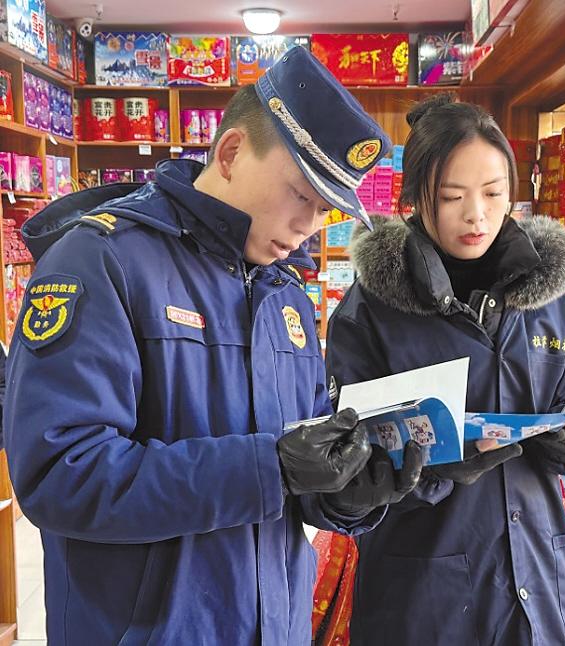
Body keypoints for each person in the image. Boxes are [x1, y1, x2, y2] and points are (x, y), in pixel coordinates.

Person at [3, 46, 422, 646]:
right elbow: (60, 474)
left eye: (325, 209)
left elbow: (295, 479)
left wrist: (348, 491)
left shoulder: (287, 298)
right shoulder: (102, 263)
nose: (308, 225)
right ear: (229, 153)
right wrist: (268, 467)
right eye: (301, 194)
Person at [325, 94, 565, 646]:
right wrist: (433, 465)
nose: (476, 215)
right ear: (416, 198)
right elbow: (346, 464)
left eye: (493, 193)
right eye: (452, 196)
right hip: (423, 597)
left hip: (538, 584)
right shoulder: (371, 310)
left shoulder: (551, 299)